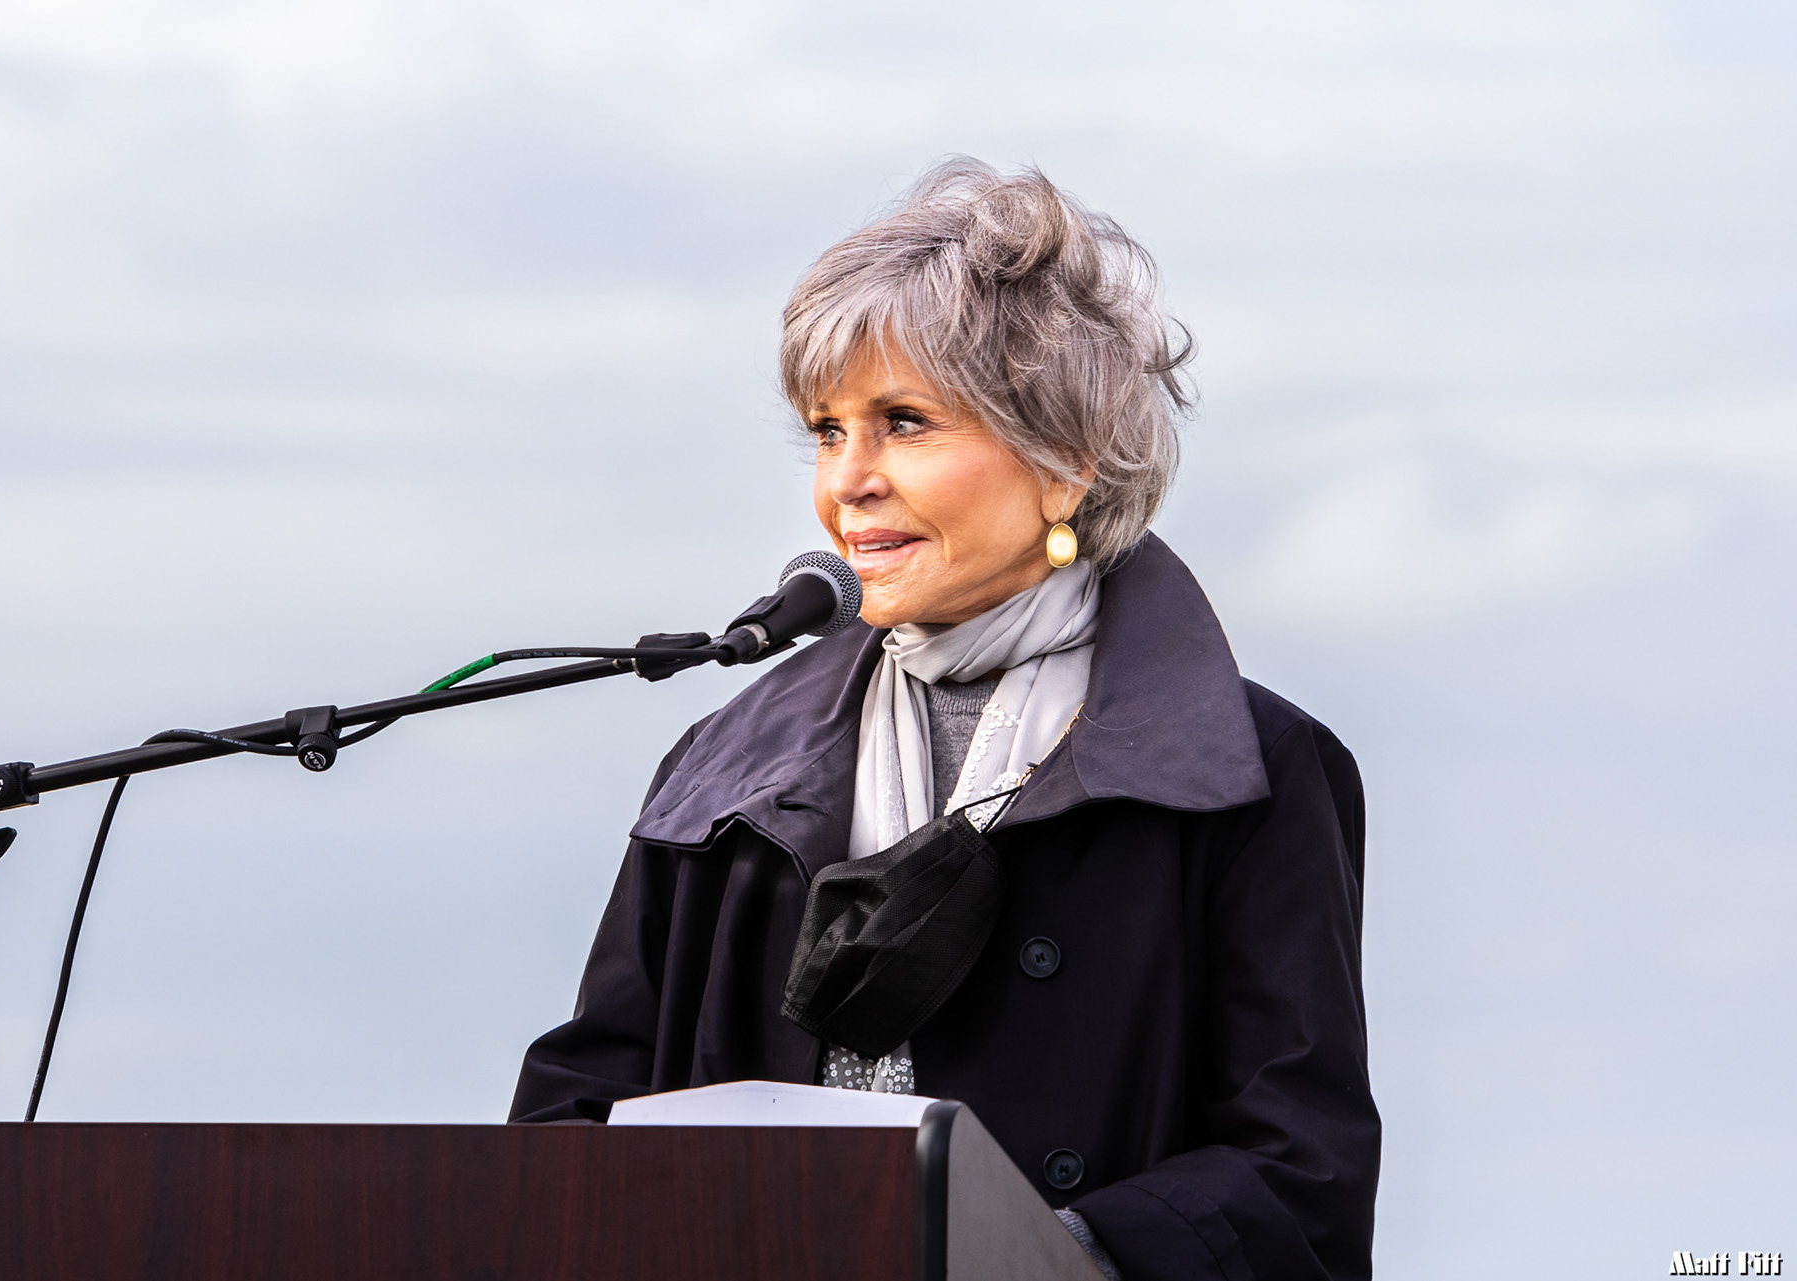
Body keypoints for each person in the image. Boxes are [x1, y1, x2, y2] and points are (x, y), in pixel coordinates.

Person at [511, 158, 1379, 1281]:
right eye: (827, 432)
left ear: (1065, 464)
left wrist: (1048, 1257)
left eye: (903, 423)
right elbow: (574, 1121)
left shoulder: (1254, 772)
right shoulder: (720, 775)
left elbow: (1297, 1174)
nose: (847, 483)